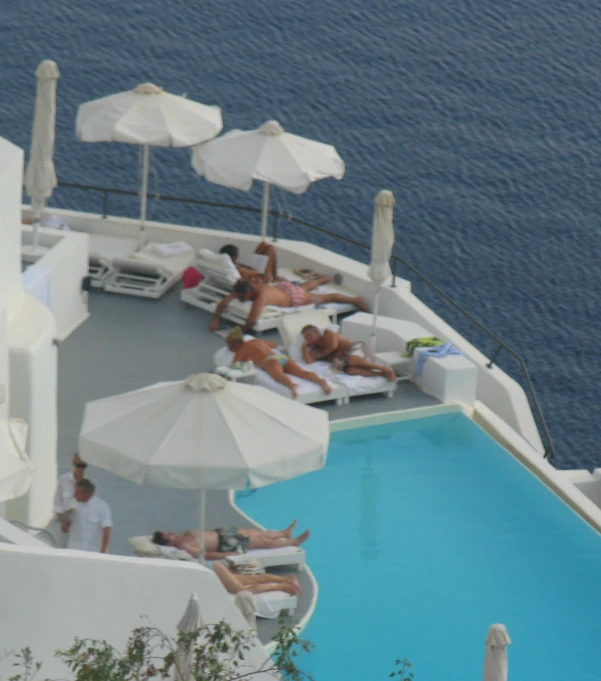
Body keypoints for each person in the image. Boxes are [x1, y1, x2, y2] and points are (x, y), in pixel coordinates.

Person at [210, 275, 368, 333]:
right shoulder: (246, 288)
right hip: (283, 287)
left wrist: (239, 332)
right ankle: (321, 280)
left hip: (293, 298)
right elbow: (224, 302)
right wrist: (216, 319)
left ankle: (355, 300)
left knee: (325, 298)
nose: (241, 300)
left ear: (249, 293)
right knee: (304, 286)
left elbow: (251, 321)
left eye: (243, 298)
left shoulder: (260, 298)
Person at [225, 328, 332, 398]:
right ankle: (321, 382)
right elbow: (274, 344)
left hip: (270, 361)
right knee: (302, 373)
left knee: (279, 376)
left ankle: (291, 385)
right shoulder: (256, 341)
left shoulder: (240, 351)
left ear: (234, 345)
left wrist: (246, 360)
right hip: (281, 357)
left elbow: (235, 364)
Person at [152, 520, 309, 560]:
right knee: (261, 541)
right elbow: (203, 554)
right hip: (225, 543)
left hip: (222, 533)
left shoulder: (183, 534)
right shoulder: (184, 545)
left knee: (254, 532)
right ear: (169, 542)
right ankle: (292, 542)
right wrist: (224, 555)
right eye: (168, 535)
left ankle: (283, 533)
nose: (171, 532)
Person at [301, 325, 397, 382]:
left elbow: (333, 346)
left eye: (310, 335)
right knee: (350, 370)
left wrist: (321, 355)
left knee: (351, 360)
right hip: (345, 360)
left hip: (357, 348)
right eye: (306, 338)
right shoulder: (315, 350)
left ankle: (383, 368)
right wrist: (303, 348)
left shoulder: (328, 333)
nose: (309, 339)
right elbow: (309, 362)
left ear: (317, 332)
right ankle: (382, 374)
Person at [61, 479, 112, 553]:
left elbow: (107, 530)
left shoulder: (101, 506)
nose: (75, 495)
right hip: (73, 549)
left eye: (77, 493)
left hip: (92, 551)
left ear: (87, 493)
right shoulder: (71, 504)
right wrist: (65, 521)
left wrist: (103, 550)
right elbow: (64, 530)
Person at [213, 561, 303, 596]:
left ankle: (280, 586)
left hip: (212, 571)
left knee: (243, 591)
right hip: (213, 568)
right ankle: (286, 579)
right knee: (252, 579)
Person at [53, 452, 88, 519]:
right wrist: (61, 516)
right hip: (65, 521)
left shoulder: (90, 484)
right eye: (78, 465)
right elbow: (57, 502)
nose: (80, 469)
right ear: (73, 463)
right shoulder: (63, 480)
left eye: (83, 466)